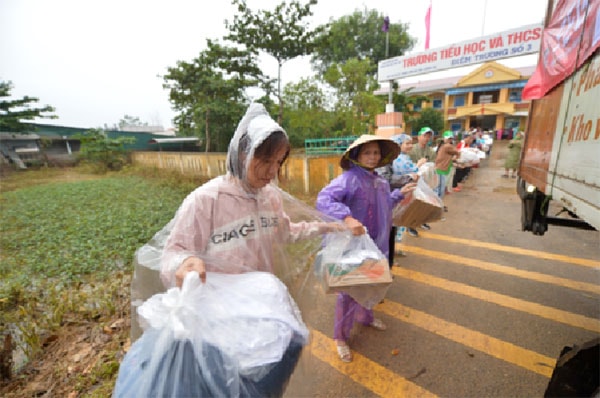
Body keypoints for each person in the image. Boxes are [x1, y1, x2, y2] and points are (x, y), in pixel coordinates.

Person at [116, 103, 346, 398]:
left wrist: (328, 227)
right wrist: (184, 263)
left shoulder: (270, 198)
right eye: (266, 161)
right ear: (242, 154)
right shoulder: (206, 200)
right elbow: (174, 253)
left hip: (258, 312)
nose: (273, 172)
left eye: (279, 162)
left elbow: (288, 232)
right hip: (217, 326)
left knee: (266, 374)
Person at [316, 134, 416, 363]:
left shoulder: (380, 181)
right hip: (352, 245)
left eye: (376, 153)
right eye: (367, 153)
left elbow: (385, 206)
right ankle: (340, 337)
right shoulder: (348, 179)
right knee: (348, 291)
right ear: (357, 156)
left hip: (375, 243)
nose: (372, 157)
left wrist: (399, 194)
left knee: (370, 282)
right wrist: (347, 218)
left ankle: (365, 316)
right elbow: (324, 199)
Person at [391, 134, 425, 238]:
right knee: (397, 218)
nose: (410, 146)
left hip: (402, 192)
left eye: (411, 143)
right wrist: (419, 165)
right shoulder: (399, 159)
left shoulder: (402, 157)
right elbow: (412, 172)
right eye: (407, 143)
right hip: (400, 192)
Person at [434, 131, 460, 208]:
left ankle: (437, 204)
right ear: (445, 139)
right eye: (448, 139)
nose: (449, 140)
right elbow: (457, 152)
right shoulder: (447, 146)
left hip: (439, 168)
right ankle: (438, 205)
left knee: (438, 188)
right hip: (442, 169)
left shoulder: (441, 146)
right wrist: (457, 157)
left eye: (450, 139)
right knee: (441, 189)